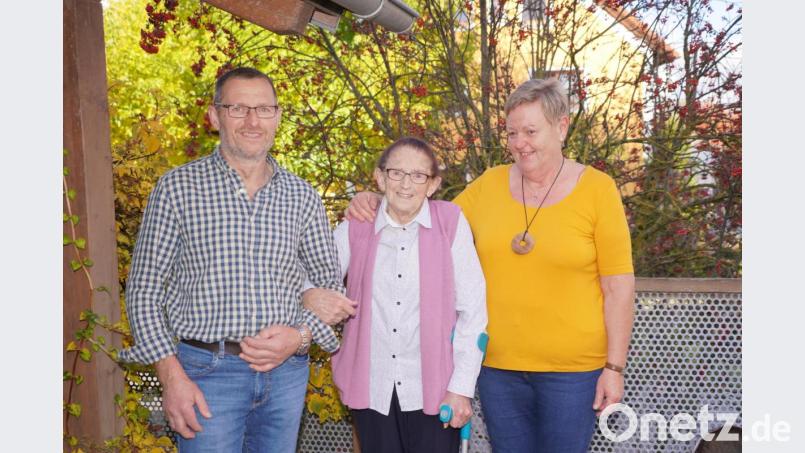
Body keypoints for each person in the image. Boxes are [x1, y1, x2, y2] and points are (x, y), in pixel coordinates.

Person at [346, 78, 635, 452]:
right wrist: (379, 198)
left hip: (573, 373)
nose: (519, 142)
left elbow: (618, 287)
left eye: (530, 131)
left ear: (562, 127)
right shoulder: (488, 185)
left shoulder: (598, 189)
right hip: (498, 370)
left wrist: (614, 367)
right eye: (512, 133)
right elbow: (427, 222)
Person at [118, 67, 356, 453]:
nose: (252, 121)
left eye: (263, 109)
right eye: (238, 108)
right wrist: (171, 377)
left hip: (286, 376)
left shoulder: (302, 197)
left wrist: (299, 337)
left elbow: (330, 288)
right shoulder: (177, 188)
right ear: (215, 116)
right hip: (205, 376)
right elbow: (143, 291)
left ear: (277, 117)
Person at [305, 137, 488, 452]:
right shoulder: (356, 227)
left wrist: (460, 388)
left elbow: (473, 311)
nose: (406, 184)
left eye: (418, 175)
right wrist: (311, 295)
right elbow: (312, 277)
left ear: (433, 184)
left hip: (435, 391)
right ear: (380, 177)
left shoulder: (450, 223)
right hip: (371, 388)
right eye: (396, 173)